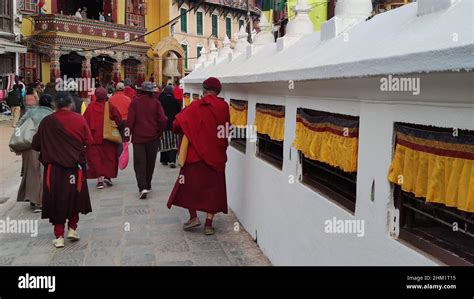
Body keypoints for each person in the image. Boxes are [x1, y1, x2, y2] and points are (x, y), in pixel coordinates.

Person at [167, 77, 230, 235]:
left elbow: (176, 125)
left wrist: (190, 130)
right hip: (215, 156)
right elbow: (226, 131)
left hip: (194, 156)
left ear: (203, 90)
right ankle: (209, 224)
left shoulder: (194, 106)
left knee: (189, 188)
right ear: (218, 91)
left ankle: (193, 217)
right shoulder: (223, 107)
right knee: (213, 190)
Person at [32, 91, 93, 248]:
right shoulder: (79, 119)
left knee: (57, 198)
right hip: (75, 168)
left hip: (54, 169)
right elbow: (89, 141)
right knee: (75, 196)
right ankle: (72, 228)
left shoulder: (47, 122)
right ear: (70, 104)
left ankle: (59, 236)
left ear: (55, 105)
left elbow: (36, 144)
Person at [126, 82, 167, 199]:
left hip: (138, 139)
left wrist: (126, 136)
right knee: (150, 163)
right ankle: (148, 185)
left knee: (140, 164)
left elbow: (130, 121)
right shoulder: (156, 103)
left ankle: (142, 187)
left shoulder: (135, 102)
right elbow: (163, 120)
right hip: (153, 138)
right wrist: (159, 132)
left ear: (141, 91)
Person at [16, 94, 54, 213]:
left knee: (32, 174)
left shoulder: (31, 112)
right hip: (46, 148)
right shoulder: (52, 115)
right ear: (51, 103)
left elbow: (18, 125)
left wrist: (19, 140)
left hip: (29, 147)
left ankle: (33, 199)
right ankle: (41, 201)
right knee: (44, 173)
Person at [83, 88, 122, 189]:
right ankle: (108, 177)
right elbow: (118, 119)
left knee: (97, 159)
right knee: (109, 157)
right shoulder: (110, 106)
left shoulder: (90, 107)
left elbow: (85, 122)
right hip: (108, 137)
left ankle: (100, 180)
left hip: (94, 138)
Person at [159, 85, 181, 168]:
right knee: (173, 142)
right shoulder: (175, 101)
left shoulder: (160, 100)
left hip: (163, 124)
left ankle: (164, 160)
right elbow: (179, 112)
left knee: (164, 142)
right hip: (173, 125)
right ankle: (172, 160)